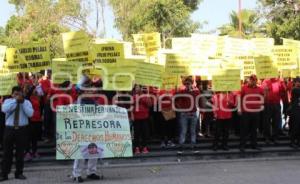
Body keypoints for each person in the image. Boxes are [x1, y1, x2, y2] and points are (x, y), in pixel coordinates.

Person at [0, 86, 34, 182]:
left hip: (22, 130)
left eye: (19, 94)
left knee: (20, 153)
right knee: (7, 153)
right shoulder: (8, 101)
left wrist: (22, 102)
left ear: (22, 94)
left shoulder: (26, 102)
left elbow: (30, 114)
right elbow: (4, 109)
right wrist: (15, 101)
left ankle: (19, 173)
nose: (18, 96)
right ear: (12, 94)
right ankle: (4, 174)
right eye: (16, 94)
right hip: (9, 130)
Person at [239, 75, 264, 152]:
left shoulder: (260, 89)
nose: (253, 81)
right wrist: (239, 108)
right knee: (244, 129)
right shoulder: (243, 88)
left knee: (254, 129)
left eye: (254, 80)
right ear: (249, 80)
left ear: (256, 81)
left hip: (256, 112)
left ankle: (254, 145)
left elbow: (263, 99)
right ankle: (242, 146)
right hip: (246, 112)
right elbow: (239, 99)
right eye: (252, 80)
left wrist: (266, 92)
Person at [175, 76, 200, 154]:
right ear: (184, 84)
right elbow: (174, 98)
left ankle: (193, 146)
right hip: (184, 114)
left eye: (189, 83)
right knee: (183, 131)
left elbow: (199, 99)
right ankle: (181, 147)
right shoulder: (182, 91)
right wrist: (178, 106)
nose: (187, 85)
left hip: (193, 114)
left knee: (193, 131)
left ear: (192, 84)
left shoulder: (196, 92)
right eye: (186, 84)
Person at [262, 77, 286, 144]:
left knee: (276, 121)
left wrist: (282, 83)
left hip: (276, 104)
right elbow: (262, 92)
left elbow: (284, 91)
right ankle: (267, 137)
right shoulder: (265, 81)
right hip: (268, 104)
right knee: (267, 121)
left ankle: (275, 137)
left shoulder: (279, 81)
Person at [132, 85, 152, 154]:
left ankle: (144, 147)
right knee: (136, 133)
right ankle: (136, 148)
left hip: (144, 117)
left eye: (138, 87)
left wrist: (143, 99)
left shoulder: (146, 96)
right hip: (136, 118)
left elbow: (150, 105)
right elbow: (131, 105)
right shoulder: (133, 96)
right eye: (136, 88)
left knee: (145, 133)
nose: (137, 89)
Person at [289, 77, 300, 148]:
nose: (299, 83)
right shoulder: (294, 89)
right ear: (295, 83)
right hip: (295, 111)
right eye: (298, 82)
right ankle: (292, 142)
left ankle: (298, 142)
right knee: (295, 126)